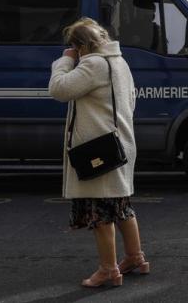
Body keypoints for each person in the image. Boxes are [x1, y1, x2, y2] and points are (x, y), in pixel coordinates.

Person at [48, 17, 150, 288]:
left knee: (100, 210)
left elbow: (59, 89)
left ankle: (108, 270)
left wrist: (65, 60)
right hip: (120, 143)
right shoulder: (119, 62)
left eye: (74, 47)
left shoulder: (93, 63)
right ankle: (135, 257)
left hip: (97, 148)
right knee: (121, 206)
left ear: (80, 45)